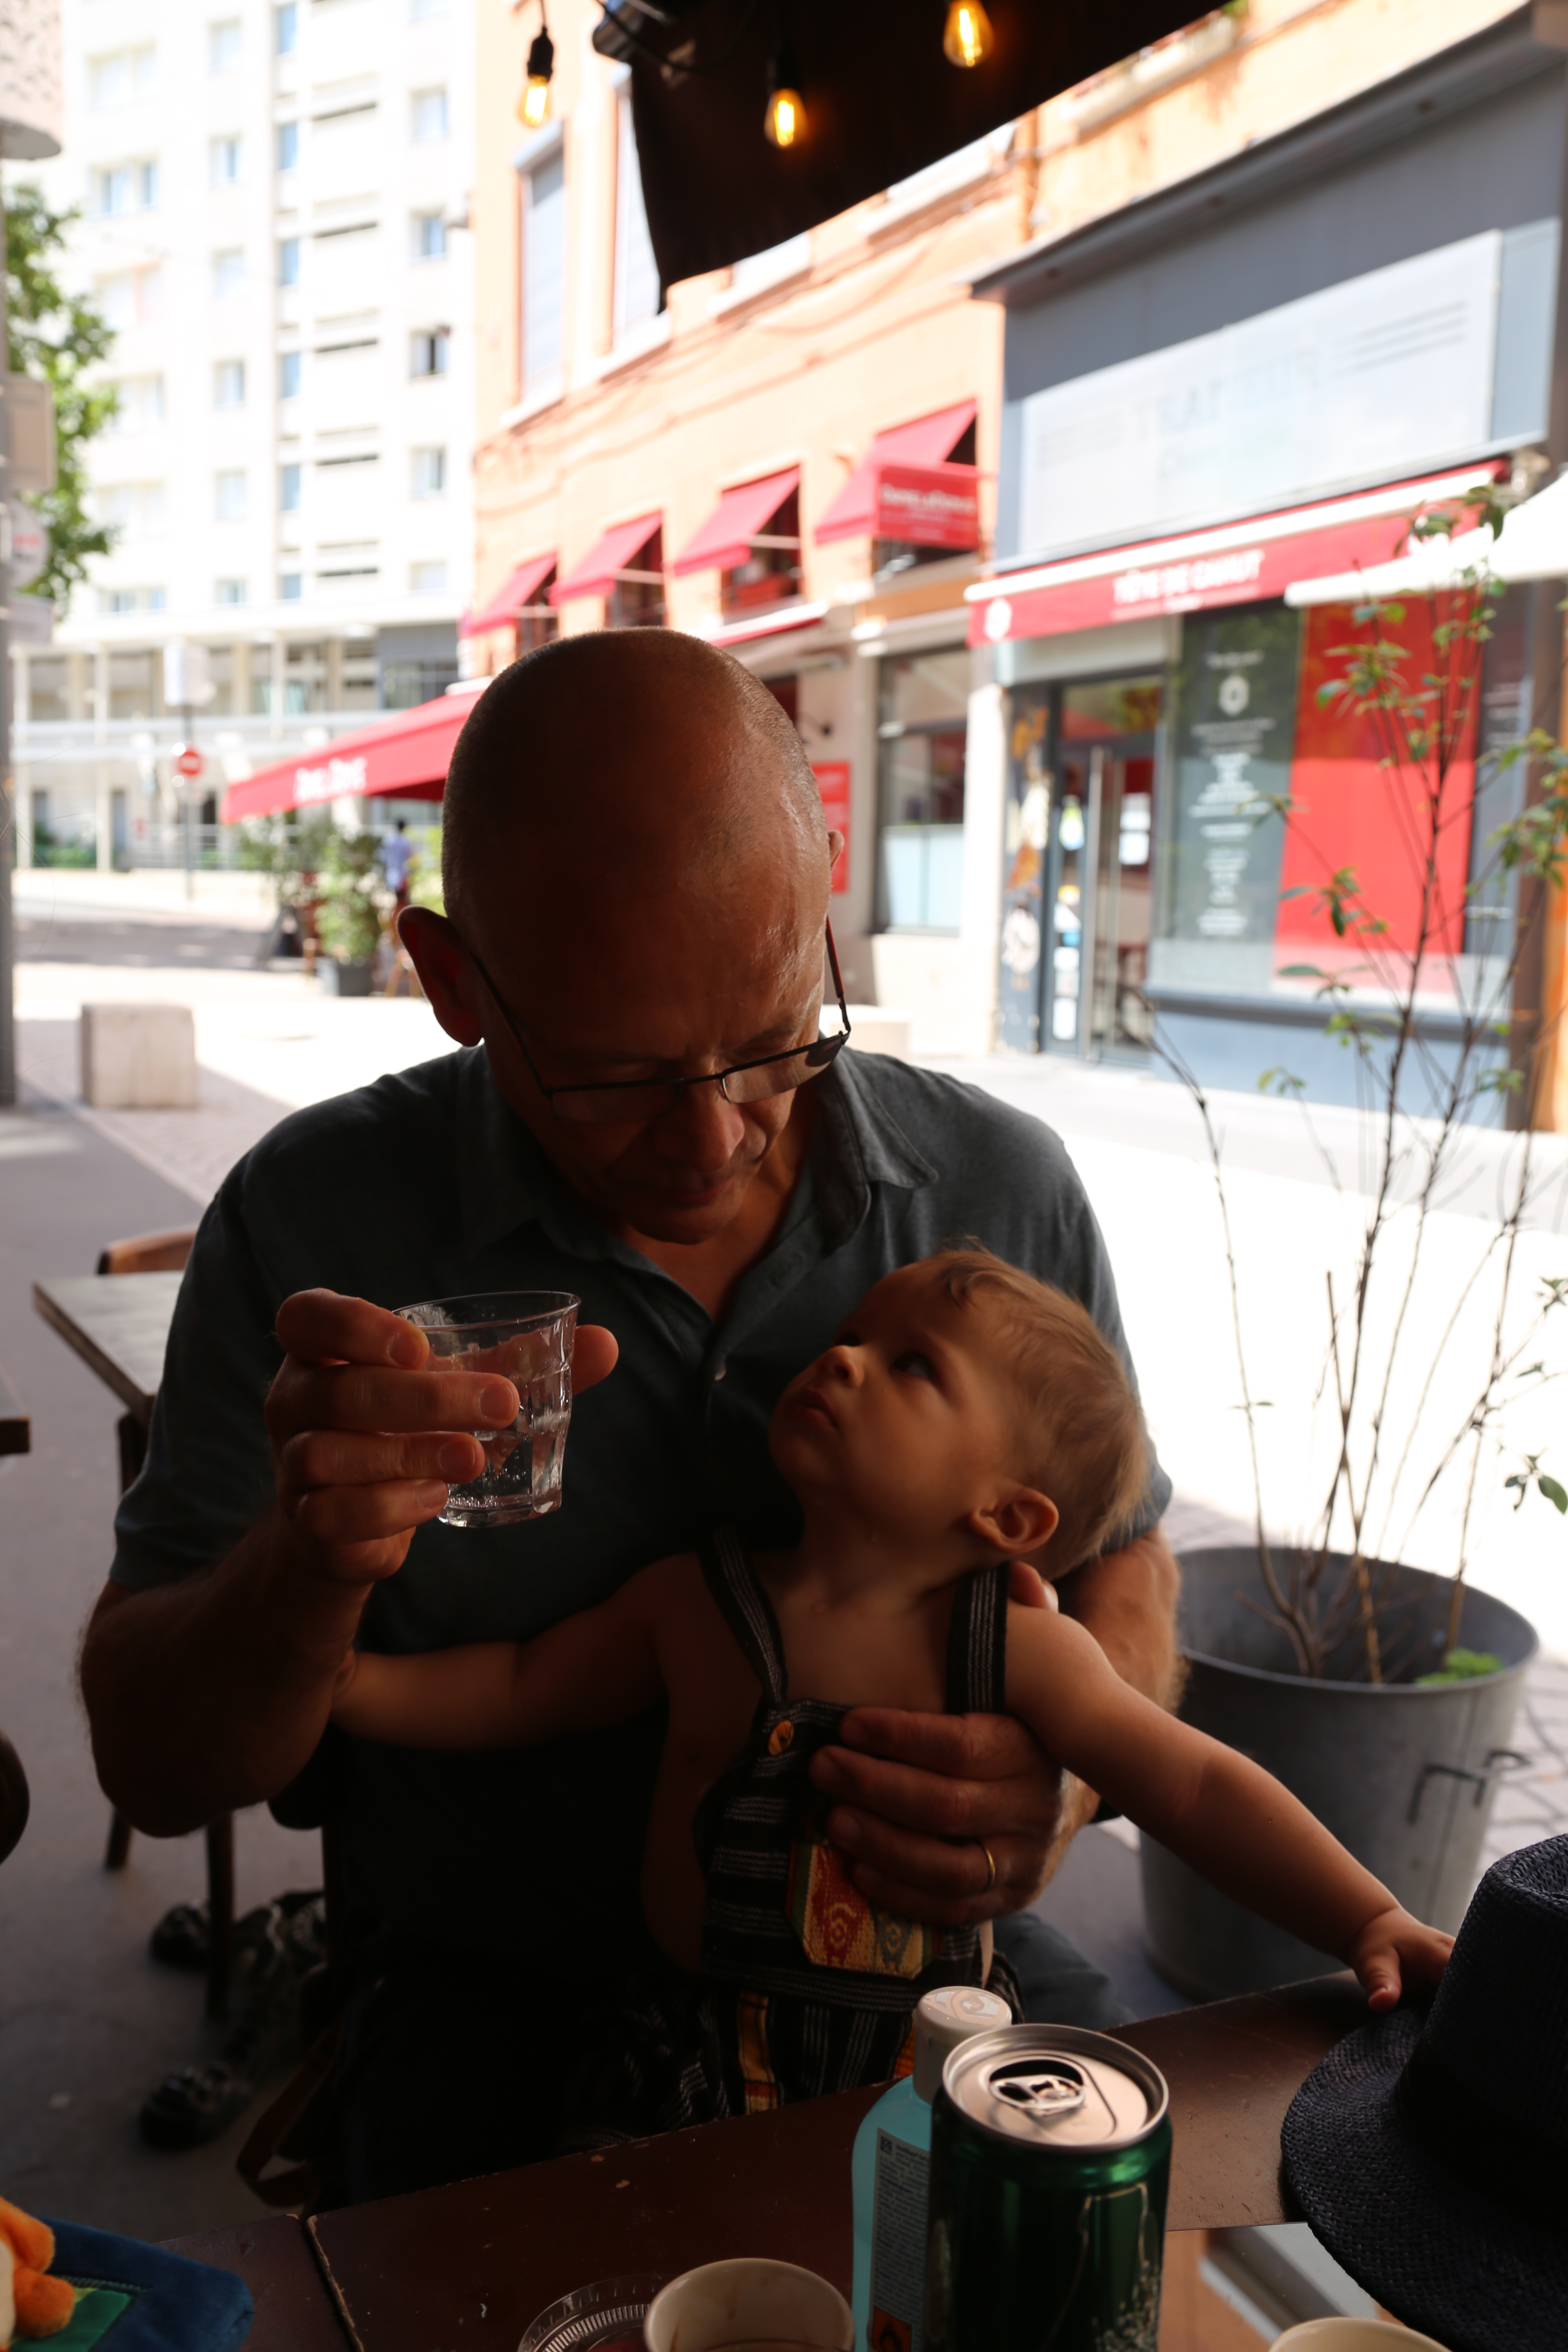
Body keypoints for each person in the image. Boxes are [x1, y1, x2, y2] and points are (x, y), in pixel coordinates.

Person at [80, 631, 1181, 2201]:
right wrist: (305, 1569)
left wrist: (1056, 1788)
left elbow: (1124, 1558)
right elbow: (154, 1767)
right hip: (488, 1997)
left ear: (820, 903)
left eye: (778, 1035)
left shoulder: (997, 1189)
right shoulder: (313, 1221)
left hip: (914, 1978)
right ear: (452, 982)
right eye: (616, 1077)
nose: (714, 1135)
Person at [331, 1251, 1451, 2145]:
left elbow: (1195, 1786)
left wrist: (1368, 1920)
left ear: (1009, 1518)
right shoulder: (692, 1601)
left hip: (935, 2068)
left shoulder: (1017, 1651)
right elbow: (524, 1685)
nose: (844, 1358)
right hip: (684, 2058)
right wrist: (351, 1684)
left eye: (913, 1365)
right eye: (853, 1335)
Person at [378, 819, 414, 911]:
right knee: (401, 902)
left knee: (395, 903)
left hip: (391, 874)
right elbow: (411, 858)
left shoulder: (389, 840)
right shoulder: (405, 842)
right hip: (402, 875)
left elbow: (383, 858)